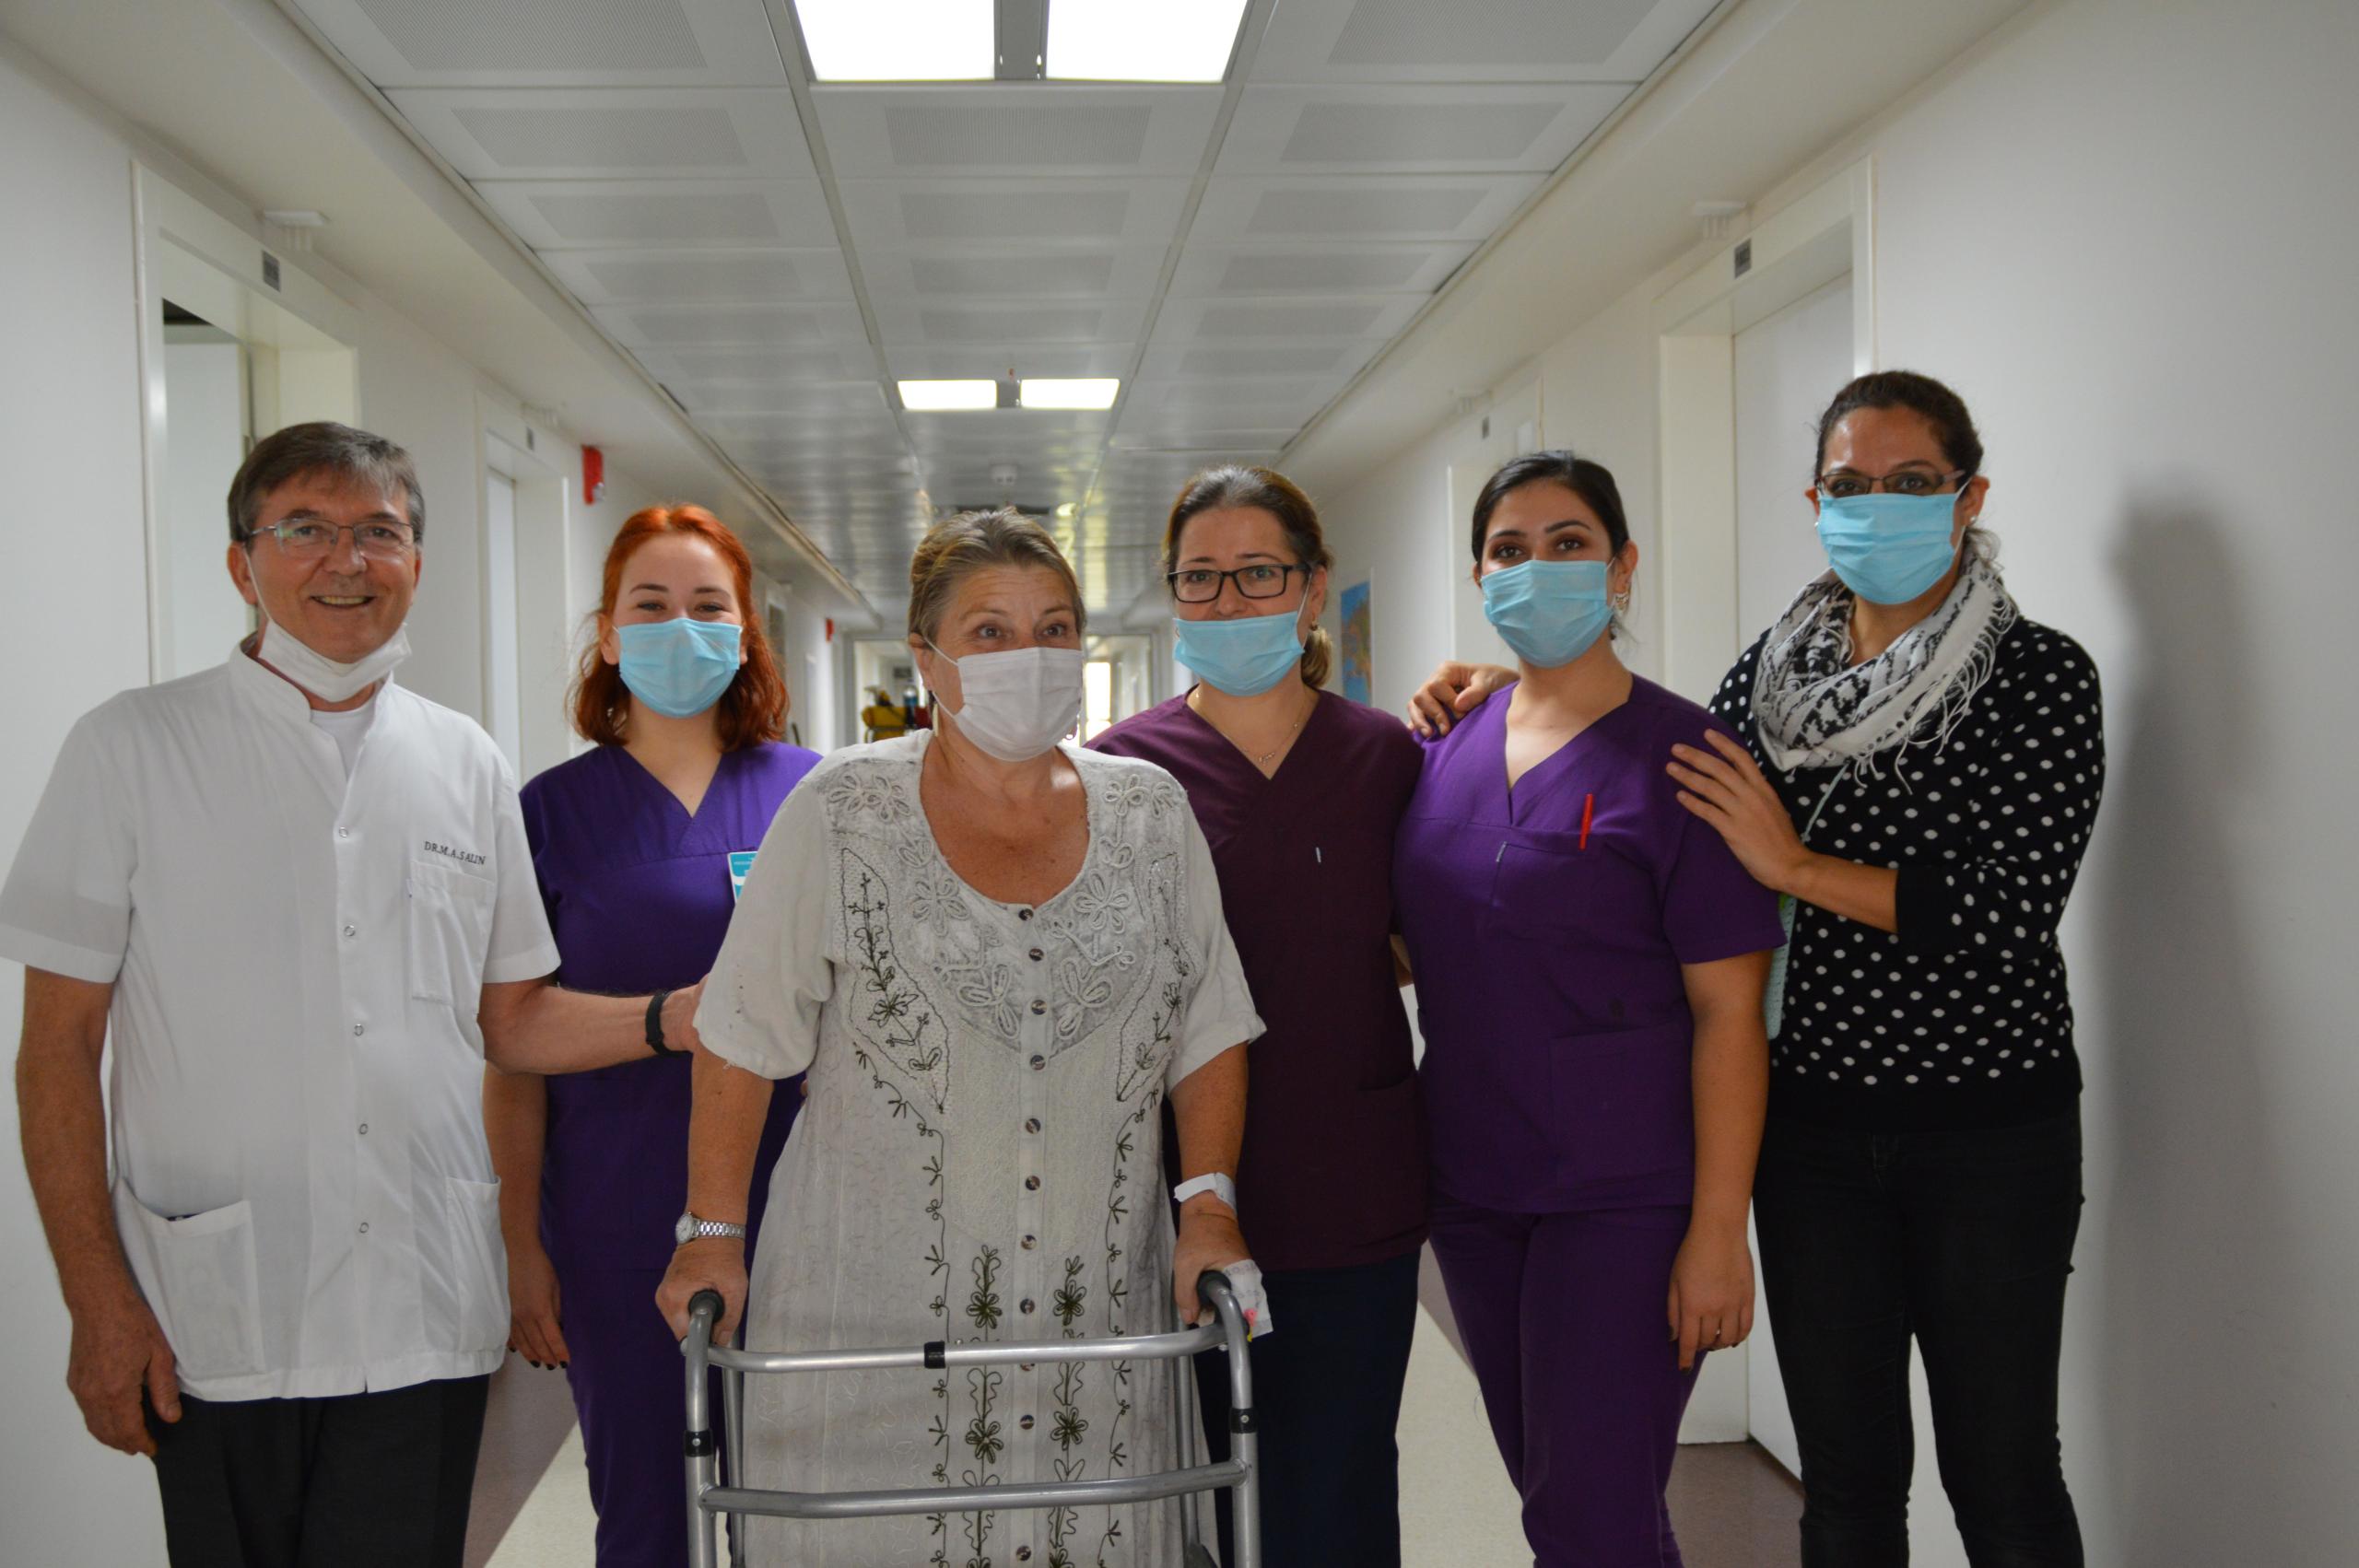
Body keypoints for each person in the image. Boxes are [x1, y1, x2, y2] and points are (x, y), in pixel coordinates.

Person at [1, 422, 710, 1568]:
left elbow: (513, 1019)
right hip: (217, 1311)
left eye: (379, 532)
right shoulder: (131, 747)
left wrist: (675, 1015)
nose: (347, 561)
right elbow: (55, 1049)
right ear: (242, 564)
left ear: (416, 561)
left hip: (422, 1306)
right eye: (304, 530)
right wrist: (97, 1296)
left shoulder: (465, 760)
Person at [654, 508, 1264, 1568]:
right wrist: (711, 1232)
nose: (1029, 654)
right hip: (870, 1313)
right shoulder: (842, 810)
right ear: (927, 657)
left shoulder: (1150, 815)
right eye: (990, 631)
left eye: (1054, 627)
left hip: (1094, 1314)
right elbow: (740, 1034)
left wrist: (1208, 1209)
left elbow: (1207, 1026)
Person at [1667, 372, 2101, 1564]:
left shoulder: (2038, 676)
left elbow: (2008, 908)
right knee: (1848, 1486)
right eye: (1848, 484)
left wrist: (1795, 866)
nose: (1875, 506)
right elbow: (1671, 791)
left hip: (1991, 1136)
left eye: (1910, 482)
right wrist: (1517, 695)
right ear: (1815, 500)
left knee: (2003, 1476)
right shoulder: (1770, 680)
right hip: (1811, 1137)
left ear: (1969, 497)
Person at [1391, 451, 1784, 1566]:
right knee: (1564, 1498)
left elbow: (1730, 1015)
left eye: (1568, 543)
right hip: (1473, 1185)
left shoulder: (1689, 758)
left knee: (1589, 1516)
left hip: (1626, 1196)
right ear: (1480, 575)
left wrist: (1719, 1231)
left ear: (1621, 565)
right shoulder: (1444, 744)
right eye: (1508, 550)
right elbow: (1421, 944)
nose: (1538, 568)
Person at [1087, 466, 1426, 1568]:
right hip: (1177, 1189)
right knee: (1206, 1488)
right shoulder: (1120, 771)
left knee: (1342, 1481)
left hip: (1353, 1180)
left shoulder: (1384, 756)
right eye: (1201, 578)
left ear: (1314, 587)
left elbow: (1426, 932)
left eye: (1258, 574)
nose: (1228, 601)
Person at [485, 504, 819, 1566]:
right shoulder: (547, 813)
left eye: (709, 606)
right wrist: (520, 1246)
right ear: (609, 632)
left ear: (745, 633)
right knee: (647, 1508)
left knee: (807, 1500)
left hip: (802, 1204)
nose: (682, 627)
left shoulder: (814, 796)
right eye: (652, 603)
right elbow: (510, 1050)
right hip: (615, 1216)